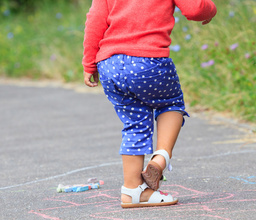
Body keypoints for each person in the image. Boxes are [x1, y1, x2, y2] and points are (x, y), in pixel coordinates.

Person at [82, 0, 217, 208]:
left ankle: (132, 191)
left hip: (110, 64)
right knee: (170, 104)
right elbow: (195, 8)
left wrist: (89, 63)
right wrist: (210, 10)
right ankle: (160, 160)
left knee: (134, 124)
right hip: (148, 61)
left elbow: (95, 21)